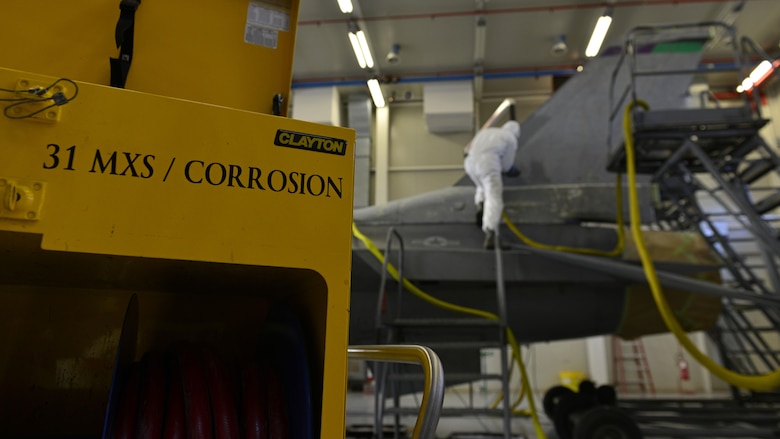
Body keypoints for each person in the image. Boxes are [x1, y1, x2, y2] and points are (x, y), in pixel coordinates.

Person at [464, 120, 521, 249]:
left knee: (482, 186)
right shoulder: (511, 138)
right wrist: (513, 171)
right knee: (494, 197)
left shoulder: (486, 132)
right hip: (488, 163)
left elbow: (469, 147)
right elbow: (506, 165)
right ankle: (491, 234)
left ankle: (480, 205)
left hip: (470, 163)